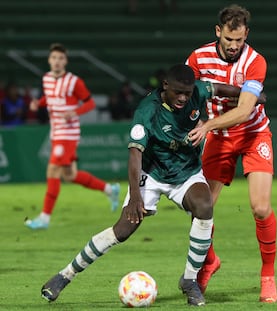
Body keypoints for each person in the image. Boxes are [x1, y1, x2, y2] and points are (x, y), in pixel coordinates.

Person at [40, 64, 247, 306]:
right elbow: (135, 156)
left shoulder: (198, 91)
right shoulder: (147, 112)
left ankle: (189, 281)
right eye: (178, 92)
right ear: (165, 86)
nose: (183, 98)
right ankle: (65, 276)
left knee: (204, 206)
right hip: (151, 175)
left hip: (186, 173)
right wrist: (136, 197)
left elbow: (224, 89)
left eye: (187, 93)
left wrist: (251, 92)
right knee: (123, 230)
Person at [185, 4, 277, 303]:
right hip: (219, 139)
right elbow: (186, 96)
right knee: (200, 207)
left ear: (246, 34)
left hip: (253, 134)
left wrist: (206, 123)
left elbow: (243, 110)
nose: (235, 46)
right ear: (218, 32)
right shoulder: (198, 58)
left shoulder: (255, 62)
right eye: (229, 40)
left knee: (260, 208)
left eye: (239, 40)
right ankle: (209, 261)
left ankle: (268, 276)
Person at [24, 43, 120, 230]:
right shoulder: (46, 79)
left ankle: (44, 217)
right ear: (49, 60)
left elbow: (90, 103)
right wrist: (39, 103)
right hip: (55, 132)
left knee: (52, 171)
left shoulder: (74, 81)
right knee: (69, 175)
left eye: (61, 58)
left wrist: (75, 112)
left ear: (65, 61)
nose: (57, 62)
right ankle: (110, 189)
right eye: (54, 58)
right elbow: (51, 99)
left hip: (68, 134)